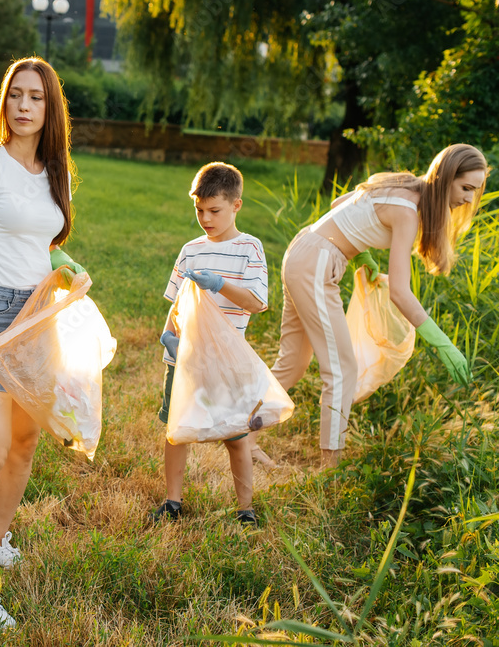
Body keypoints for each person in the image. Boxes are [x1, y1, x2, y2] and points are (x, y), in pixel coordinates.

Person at [0, 57, 83, 629]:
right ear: (4, 103)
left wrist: (64, 263)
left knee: (26, 443)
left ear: (51, 109)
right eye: (16, 96)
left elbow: (44, 240)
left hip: (39, 313)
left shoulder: (58, 174)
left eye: (36, 98)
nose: (24, 107)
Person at [255, 143, 487, 469]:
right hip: (318, 261)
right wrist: (443, 343)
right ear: (446, 176)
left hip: (304, 250)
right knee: (342, 370)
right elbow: (400, 293)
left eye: (474, 192)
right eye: (465, 188)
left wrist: (360, 254)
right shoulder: (408, 212)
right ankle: (330, 469)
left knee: (293, 362)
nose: (467, 199)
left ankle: (242, 435)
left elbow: (339, 204)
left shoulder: (403, 183)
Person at [151, 162, 269, 526]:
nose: (205, 218)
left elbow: (256, 302)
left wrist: (218, 283)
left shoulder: (249, 248)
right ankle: (173, 502)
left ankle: (244, 508)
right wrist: (169, 336)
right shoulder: (191, 250)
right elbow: (177, 303)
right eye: (199, 210)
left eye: (214, 210)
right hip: (185, 359)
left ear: (236, 205)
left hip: (226, 363)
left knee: (235, 436)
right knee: (177, 430)